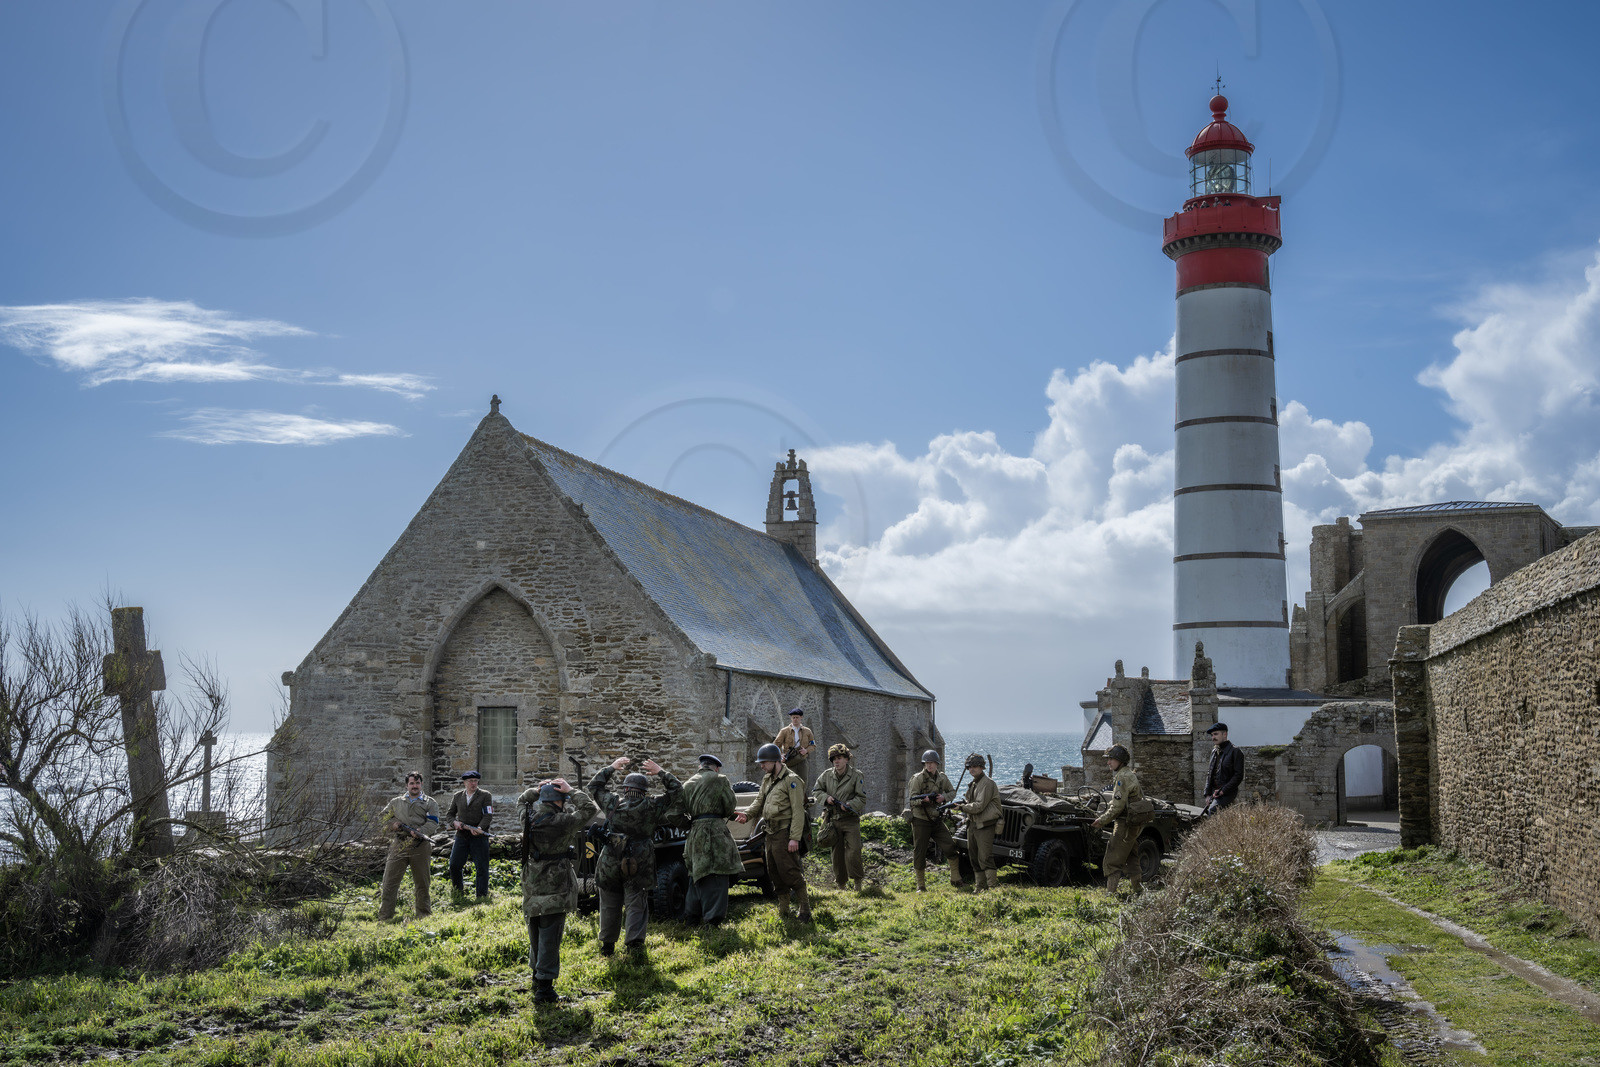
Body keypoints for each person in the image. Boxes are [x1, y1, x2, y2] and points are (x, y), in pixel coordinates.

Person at [588, 757, 682, 961]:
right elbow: (677, 790)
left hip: (611, 859)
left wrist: (611, 767)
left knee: (609, 902)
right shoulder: (653, 805)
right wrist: (660, 771)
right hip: (640, 860)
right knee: (636, 901)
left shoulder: (612, 803)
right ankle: (634, 945)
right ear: (644, 790)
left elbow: (594, 785)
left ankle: (607, 946)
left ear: (625, 789)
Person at [516, 776, 598, 1004]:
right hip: (556, 885)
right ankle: (545, 988)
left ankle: (536, 976)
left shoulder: (528, 818)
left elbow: (521, 802)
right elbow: (590, 809)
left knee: (535, 933)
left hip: (532, 883)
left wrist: (536, 790)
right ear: (559, 802)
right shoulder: (562, 821)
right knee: (551, 936)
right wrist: (572, 790)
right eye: (564, 800)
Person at [735, 742, 811, 922]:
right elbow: (759, 801)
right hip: (770, 832)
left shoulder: (792, 780)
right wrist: (747, 815)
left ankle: (805, 910)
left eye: (764, 762)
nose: (761, 766)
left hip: (785, 832)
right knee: (774, 873)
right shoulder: (767, 779)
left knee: (790, 872)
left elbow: (798, 812)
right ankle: (784, 911)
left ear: (776, 761)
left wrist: (794, 838)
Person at [681, 753, 743, 926]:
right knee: (717, 874)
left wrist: (689, 824)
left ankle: (692, 919)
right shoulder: (720, 779)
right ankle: (712, 922)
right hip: (715, 831)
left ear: (700, 766)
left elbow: (673, 813)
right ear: (716, 768)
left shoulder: (687, 784)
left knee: (696, 874)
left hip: (694, 832)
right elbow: (729, 806)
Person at [376, 771, 441, 920]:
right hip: (399, 844)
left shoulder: (430, 802)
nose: (415, 786)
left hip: (421, 845)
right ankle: (385, 917)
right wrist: (393, 825)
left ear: (421, 784)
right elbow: (382, 819)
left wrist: (421, 831)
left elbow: (433, 822)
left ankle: (423, 915)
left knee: (422, 883)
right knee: (389, 882)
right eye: (412, 783)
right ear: (406, 785)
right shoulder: (395, 802)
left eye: (417, 783)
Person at [1092, 744, 1154, 895]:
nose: (1108, 762)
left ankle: (1110, 893)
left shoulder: (1121, 777)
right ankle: (1138, 890)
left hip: (1125, 823)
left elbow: (1118, 806)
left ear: (1120, 760)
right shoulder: (1128, 774)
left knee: (1113, 857)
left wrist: (1101, 820)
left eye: (1111, 759)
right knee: (1131, 856)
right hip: (1133, 823)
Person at [906, 749, 963, 892]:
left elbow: (952, 792)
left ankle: (956, 879)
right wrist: (924, 801)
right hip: (921, 820)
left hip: (936, 819)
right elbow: (912, 800)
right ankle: (921, 885)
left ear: (937, 764)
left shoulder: (942, 778)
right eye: (927, 763)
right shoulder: (917, 778)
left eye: (932, 763)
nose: (929, 765)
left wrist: (943, 797)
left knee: (950, 846)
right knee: (920, 852)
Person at [812, 743, 868, 891]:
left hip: (850, 819)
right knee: (837, 854)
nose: (837, 761)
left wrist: (850, 804)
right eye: (834, 759)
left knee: (854, 850)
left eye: (840, 758)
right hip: (833, 820)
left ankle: (857, 882)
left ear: (847, 759)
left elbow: (862, 798)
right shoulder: (826, 775)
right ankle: (841, 884)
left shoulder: (857, 775)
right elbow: (816, 790)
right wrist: (826, 798)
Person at [444, 770, 494, 900]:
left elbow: (488, 815)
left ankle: (481, 897)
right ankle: (458, 894)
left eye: (476, 781)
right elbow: (449, 814)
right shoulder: (457, 796)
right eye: (470, 781)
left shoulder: (485, 795)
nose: (473, 784)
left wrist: (479, 828)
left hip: (479, 836)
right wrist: (454, 822)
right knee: (454, 865)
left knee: (482, 867)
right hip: (461, 835)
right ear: (465, 782)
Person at [957, 754, 1001, 893]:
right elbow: (971, 803)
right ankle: (980, 887)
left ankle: (992, 888)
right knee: (974, 857)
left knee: (985, 857)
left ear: (981, 767)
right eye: (970, 767)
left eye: (975, 766)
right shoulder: (975, 783)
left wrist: (962, 808)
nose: (972, 769)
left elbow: (979, 806)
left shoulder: (987, 783)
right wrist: (962, 805)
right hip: (973, 824)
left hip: (985, 825)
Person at [1201, 722, 1245, 813]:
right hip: (1213, 792)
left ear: (1224, 734)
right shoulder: (1214, 751)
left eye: (1216, 734)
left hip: (1228, 792)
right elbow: (1210, 773)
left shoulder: (1235, 752)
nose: (1213, 737)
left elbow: (1238, 776)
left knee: (1212, 811)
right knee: (1204, 814)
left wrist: (1223, 791)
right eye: (1212, 735)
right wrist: (1207, 794)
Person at [773, 708, 815, 788]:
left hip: (802, 759)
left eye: (797, 717)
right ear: (791, 718)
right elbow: (775, 745)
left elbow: (813, 745)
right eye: (793, 717)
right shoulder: (784, 731)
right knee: (789, 782)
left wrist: (806, 750)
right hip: (789, 760)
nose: (795, 719)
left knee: (803, 782)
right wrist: (781, 755)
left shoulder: (807, 731)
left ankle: (801, 799)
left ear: (801, 717)